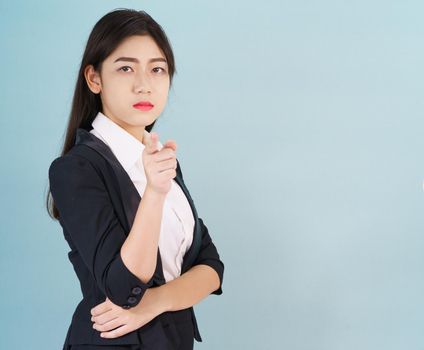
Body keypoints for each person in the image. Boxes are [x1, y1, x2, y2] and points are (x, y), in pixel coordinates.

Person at [46, 8, 224, 350]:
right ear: (94, 79)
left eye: (157, 69)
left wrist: (156, 302)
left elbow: (212, 267)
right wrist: (154, 194)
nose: (144, 84)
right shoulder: (75, 170)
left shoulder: (162, 160)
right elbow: (124, 285)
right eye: (126, 67)